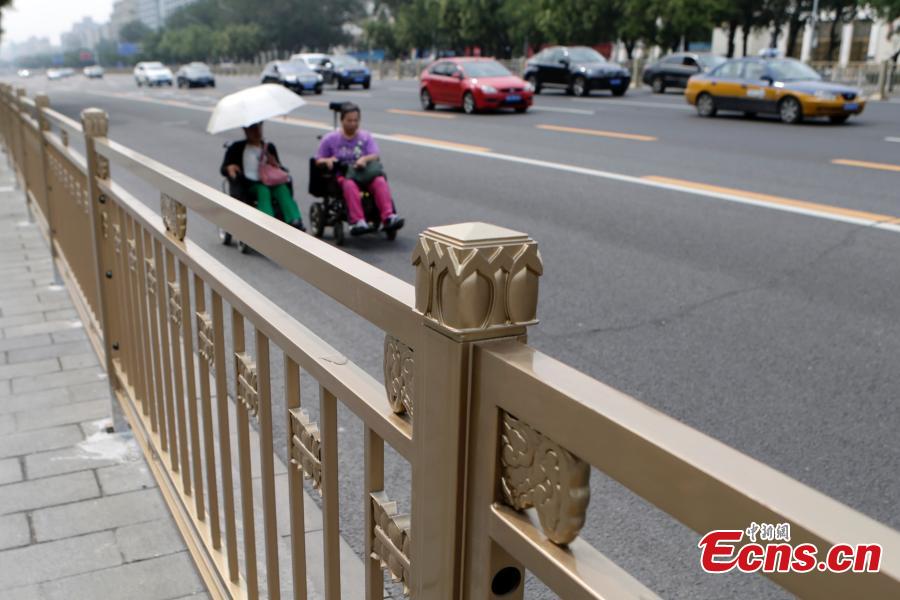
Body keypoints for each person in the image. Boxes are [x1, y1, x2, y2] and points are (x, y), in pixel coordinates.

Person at [315, 103, 404, 236]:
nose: (353, 124)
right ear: (342, 120)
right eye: (349, 120)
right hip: (344, 176)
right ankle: (357, 221)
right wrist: (327, 160)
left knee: (380, 181)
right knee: (349, 185)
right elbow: (318, 160)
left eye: (356, 120)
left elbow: (375, 155)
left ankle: (388, 217)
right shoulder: (330, 139)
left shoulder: (365, 137)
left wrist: (364, 159)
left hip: (364, 174)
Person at [220, 122, 305, 231]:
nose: (257, 131)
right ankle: (267, 223)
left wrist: (275, 164)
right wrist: (229, 167)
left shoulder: (269, 147)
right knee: (263, 191)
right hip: (250, 185)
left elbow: (279, 168)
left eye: (259, 127)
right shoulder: (236, 148)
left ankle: (294, 220)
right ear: (245, 130)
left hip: (271, 182)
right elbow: (223, 169)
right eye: (253, 128)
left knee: (282, 189)